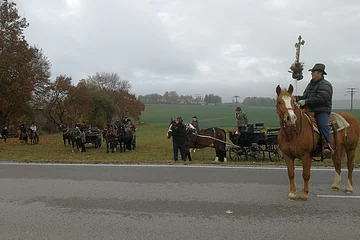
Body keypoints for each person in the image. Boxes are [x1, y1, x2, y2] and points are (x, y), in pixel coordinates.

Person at [296, 63, 333, 158]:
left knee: (322, 125)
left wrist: (306, 101)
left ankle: (327, 146)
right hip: (308, 110)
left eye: (313, 71)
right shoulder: (310, 84)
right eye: (311, 71)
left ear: (320, 73)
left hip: (321, 110)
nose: (312, 73)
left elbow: (322, 98)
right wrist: (297, 98)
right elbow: (305, 96)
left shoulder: (326, 85)